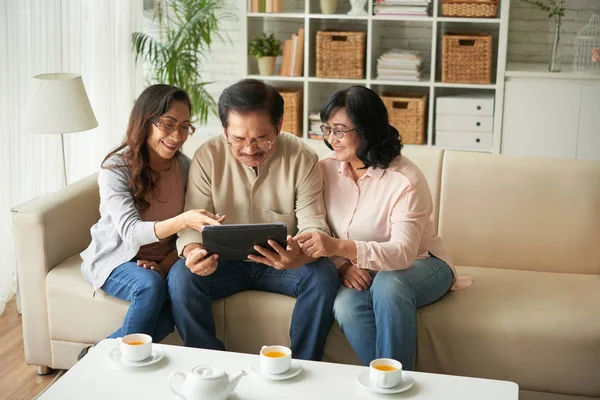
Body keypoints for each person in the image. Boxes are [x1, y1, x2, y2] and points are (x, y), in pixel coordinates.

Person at [295, 86, 472, 369]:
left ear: (366, 129)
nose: (331, 139)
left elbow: (403, 253)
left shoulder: (405, 179)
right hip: (364, 269)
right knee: (345, 305)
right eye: (327, 129)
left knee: (390, 284)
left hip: (423, 263)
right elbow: (319, 228)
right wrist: (342, 264)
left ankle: (393, 388)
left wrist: (340, 248)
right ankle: (390, 383)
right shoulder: (325, 170)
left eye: (340, 130)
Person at [167, 79, 340, 361]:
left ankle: (302, 367)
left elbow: (314, 225)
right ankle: (210, 366)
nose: (249, 149)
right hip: (221, 264)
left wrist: (299, 255)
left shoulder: (302, 158)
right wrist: (193, 252)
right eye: (237, 138)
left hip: (281, 264)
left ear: (279, 125)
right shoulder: (207, 157)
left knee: (322, 275)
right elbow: (192, 224)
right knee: (180, 277)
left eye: (261, 138)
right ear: (225, 130)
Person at [79, 84, 223, 359]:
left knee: (172, 309)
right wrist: (185, 220)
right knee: (149, 286)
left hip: (161, 260)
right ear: (146, 121)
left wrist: (165, 264)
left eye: (184, 127)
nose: (177, 136)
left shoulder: (184, 167)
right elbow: (131, 233)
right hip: (117, 259)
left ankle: (96, 355)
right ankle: (121, 366)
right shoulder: (116, 169)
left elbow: (185, 237)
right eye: (168, 124)